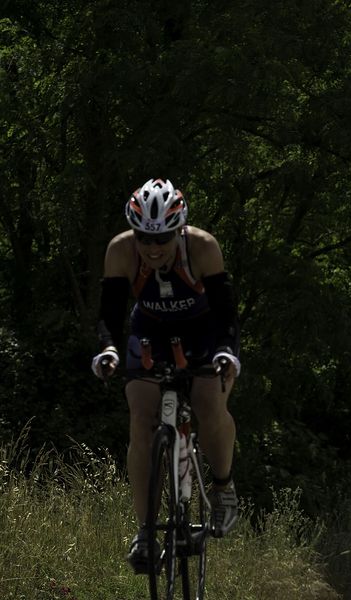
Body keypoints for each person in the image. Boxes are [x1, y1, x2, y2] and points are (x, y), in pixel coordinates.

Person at [90, 179, 241, 573]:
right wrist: (107, 348)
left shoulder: (203, 247)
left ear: (180, 230)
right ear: (133, 233)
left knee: (210, 405)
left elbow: (226, 313)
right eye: (144, 238)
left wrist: (226, 351)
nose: (153, 248)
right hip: (150, 332)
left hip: (204, 332)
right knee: (140, 416)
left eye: (163, 238)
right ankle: (145, 530)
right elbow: (110, 314)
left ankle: (223, 487)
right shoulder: (121, 251)